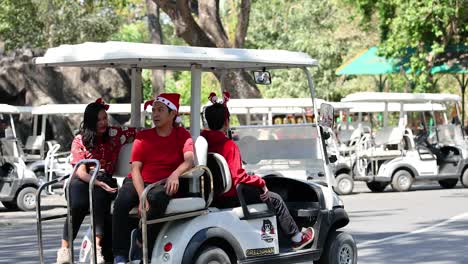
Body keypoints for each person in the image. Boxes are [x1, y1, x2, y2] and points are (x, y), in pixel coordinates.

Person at [201, 92, 315, 251]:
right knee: (275, 198)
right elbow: (238, 176)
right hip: (232, 196)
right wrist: (260, 183)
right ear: (226, 122)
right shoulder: (228, 145)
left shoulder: (203, 141)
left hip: (215, 196)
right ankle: (297, 238)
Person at [112, 93, 194, 264]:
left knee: (157, 199)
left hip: (162, 183)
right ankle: (119, 254)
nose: (155, 114)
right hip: (138, 181)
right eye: (153, 110)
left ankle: (141, 244)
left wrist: (175, 174)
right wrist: (142, 197)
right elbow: (135, 169)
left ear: (173, 114)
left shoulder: (182, 135)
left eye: (160, 110)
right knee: (121, 202)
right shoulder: (143, 137)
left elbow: (189, 161)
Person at [56, 98, 137, 264]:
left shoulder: (115, 134)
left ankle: (97, 248)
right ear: (90, 121)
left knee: (99, 197)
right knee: (78, 204)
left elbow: (137, 132)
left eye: (105, 118)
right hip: (83, 177)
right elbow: (81, 171)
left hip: (103, 178)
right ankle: (65, 249)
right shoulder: (80, 140)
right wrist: (96, 182)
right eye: (98, 119)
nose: (103, 123)